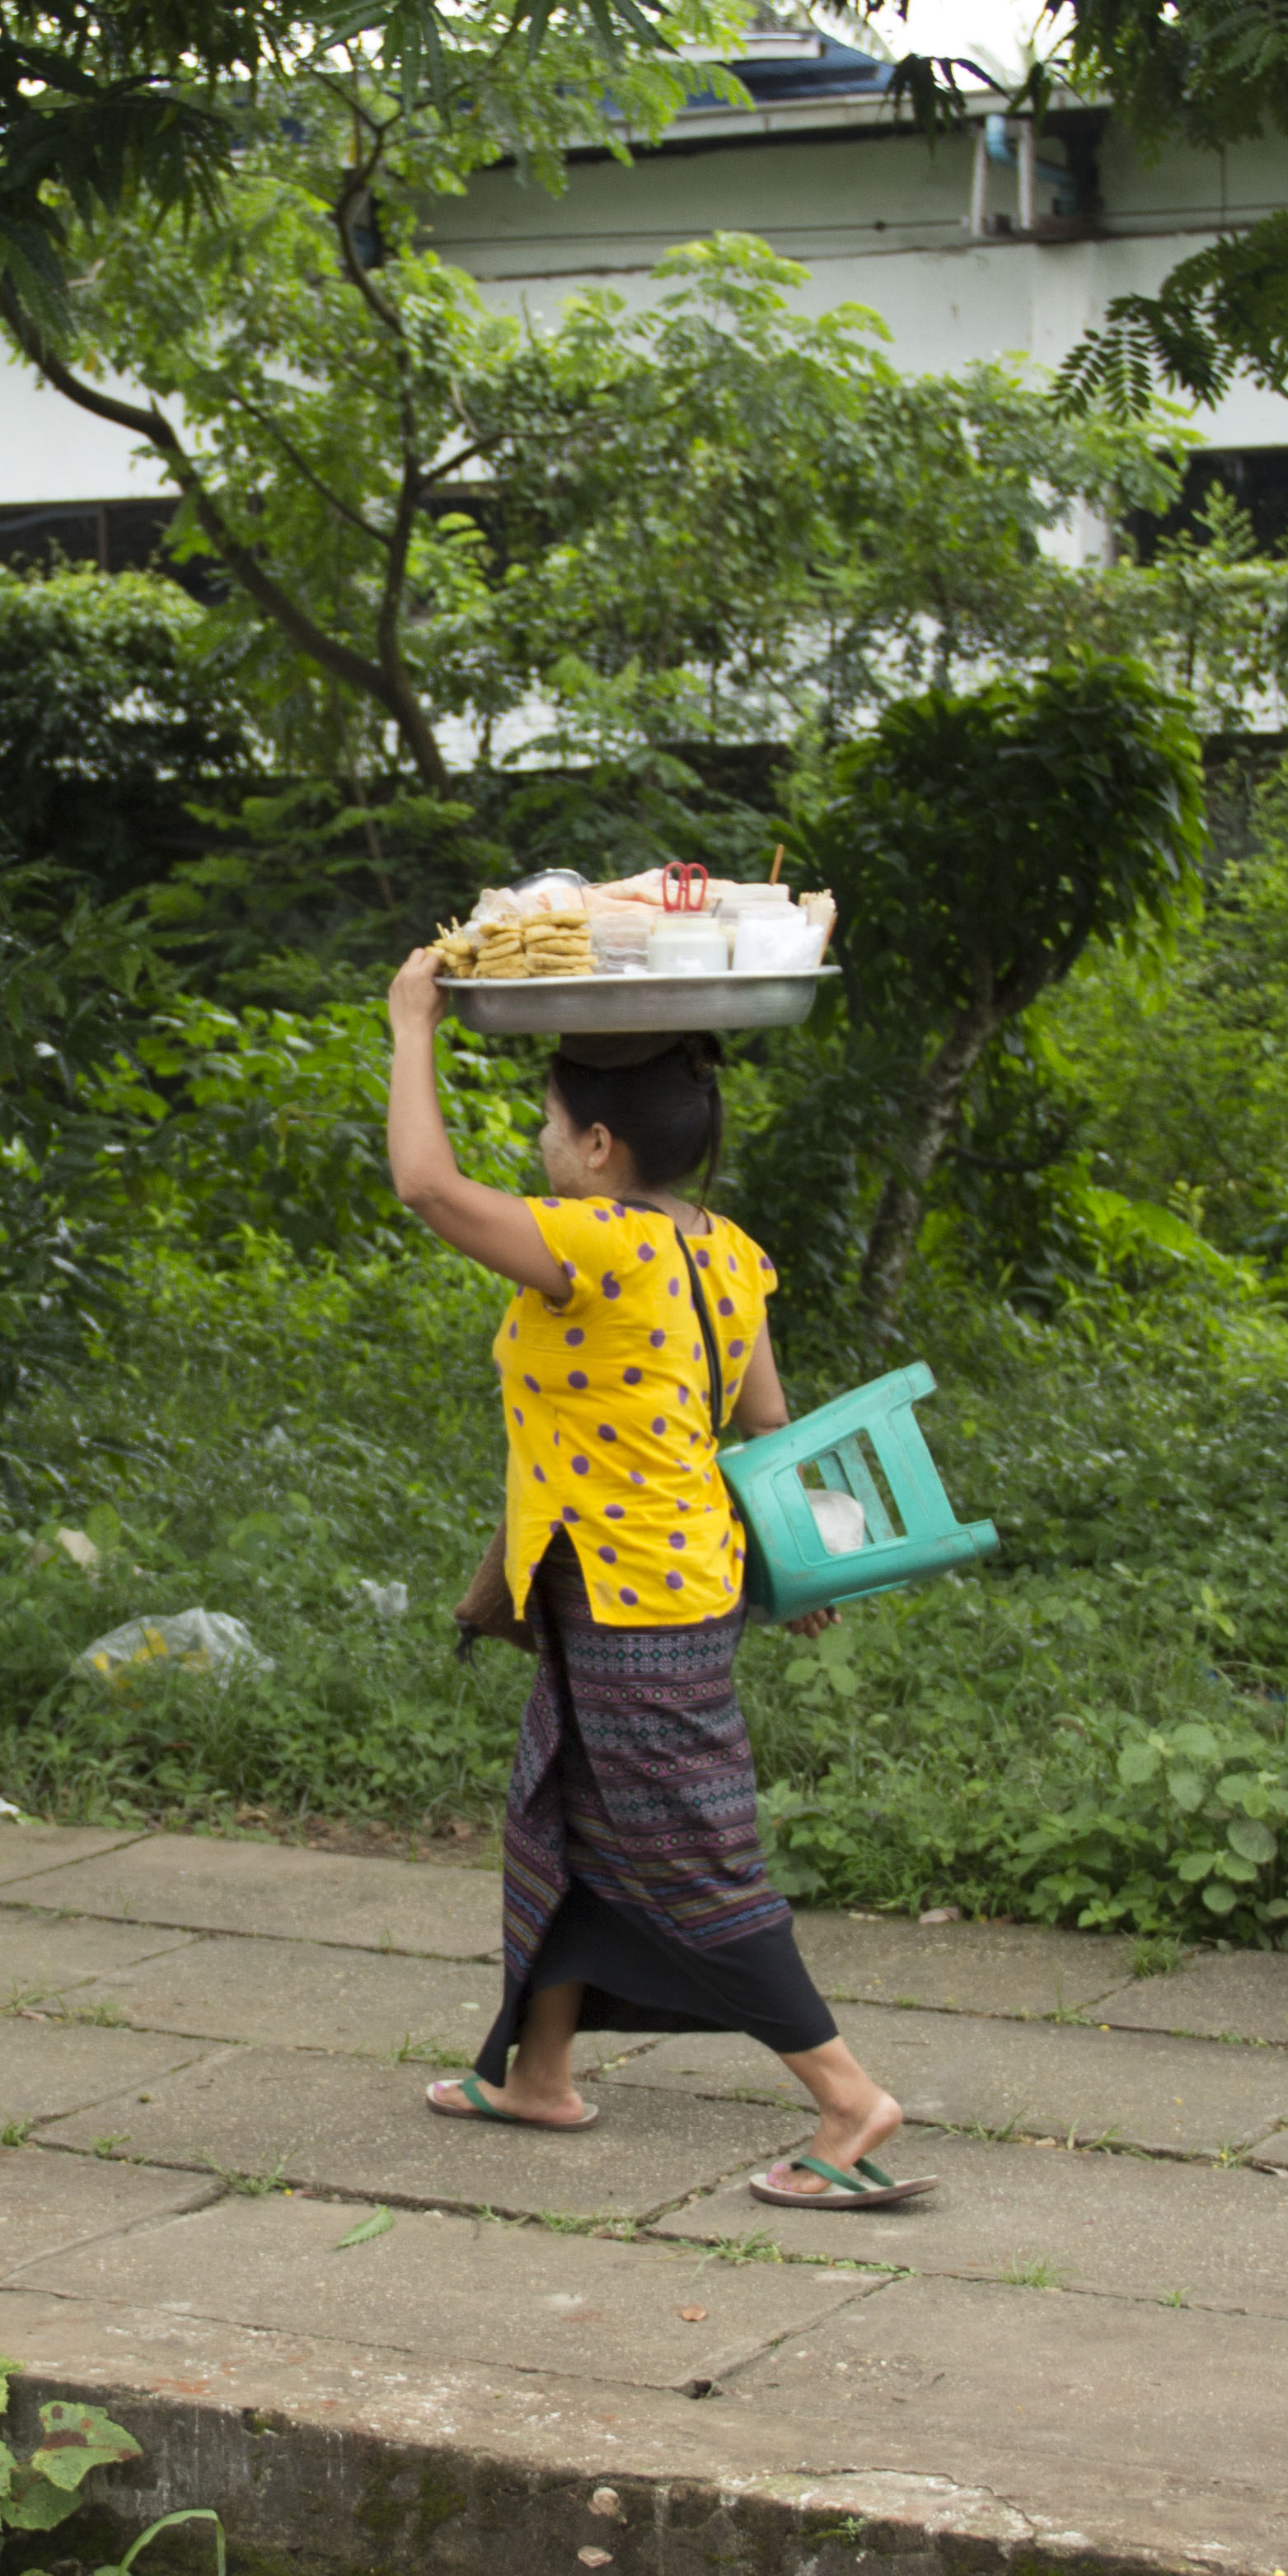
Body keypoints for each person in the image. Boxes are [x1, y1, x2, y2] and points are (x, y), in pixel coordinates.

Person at [382, 946, 931, 2210]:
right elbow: (767, 1424)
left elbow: (424, 1183)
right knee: (562, 1817)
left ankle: (851, 2105)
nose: (536, 1135)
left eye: (548, 1121)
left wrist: (416, 1023)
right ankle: (541, 2074)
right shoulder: (727, 1253)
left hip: (635, 1599)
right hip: (656, 1581)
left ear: (598, 1151)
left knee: (691, 1855)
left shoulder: (592, 1245)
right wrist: (813, 1559)